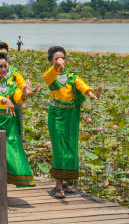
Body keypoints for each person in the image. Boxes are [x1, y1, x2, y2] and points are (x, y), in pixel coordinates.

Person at [44, 46, 102, 199]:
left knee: (71, 147)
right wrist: (56, 67)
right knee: (59, 149)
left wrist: (92, 94)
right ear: (51, 61)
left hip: (71, 114)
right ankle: (57, 185)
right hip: (57, 114)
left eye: (63, 57)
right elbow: (48, 77)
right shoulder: (51, 76)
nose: (61, 60)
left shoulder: (72, 76)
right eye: (57, 58)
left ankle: (66, 183)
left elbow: (82, 86)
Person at [0, 51, 39, 187]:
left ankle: (11, 180)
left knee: (13, 150)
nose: (3, 69)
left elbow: (18, 97)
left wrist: (26, 94)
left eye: (5, 66)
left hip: (9, 121)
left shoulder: (11, 85)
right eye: (0, 66)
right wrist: (4, 100)